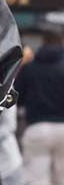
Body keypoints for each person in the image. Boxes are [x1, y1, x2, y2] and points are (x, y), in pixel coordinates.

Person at [16, 28, 64, 185]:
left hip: (37, 128)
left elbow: (17, 98)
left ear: (43, 43)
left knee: (36, 180)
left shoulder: (29, 68)